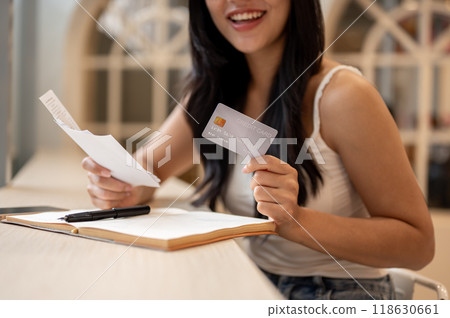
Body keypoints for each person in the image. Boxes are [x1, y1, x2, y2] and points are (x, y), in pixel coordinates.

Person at [81, 0, 435, 300]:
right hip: (250, 283)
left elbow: (418, 245)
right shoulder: (211, 93)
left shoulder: (343, 96)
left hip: (340, 294)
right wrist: (120, 188)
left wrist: (297, 220)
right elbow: (144, 173)